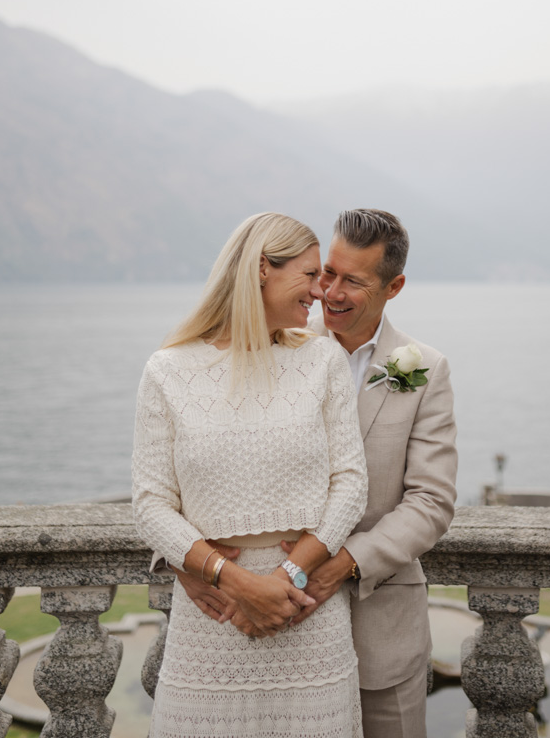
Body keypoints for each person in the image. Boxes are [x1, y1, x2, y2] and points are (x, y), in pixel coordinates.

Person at [177, 209, 457, 738]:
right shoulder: (274, 343)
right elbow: (200, 459)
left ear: (393, 286)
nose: (329, 292)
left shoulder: (426, 370)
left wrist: (336, 565)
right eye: (327, 272)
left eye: (353, 281)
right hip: (271, 631)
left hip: (382, 629)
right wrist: (181, 560)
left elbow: (431, 502)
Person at [132, 212, 368, 738]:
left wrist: (286, 581)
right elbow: (150, 503)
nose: (320, 291)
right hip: (214, 617)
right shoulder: (167, 370)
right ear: (263, 267)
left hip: (307, 616)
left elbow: (350, 484)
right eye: (309, 275)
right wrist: (233, 581)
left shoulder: (322, 359)